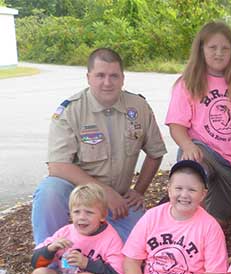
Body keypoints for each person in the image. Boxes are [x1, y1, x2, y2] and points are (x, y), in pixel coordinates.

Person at [31, 48, 167, 245]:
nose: (107, 82)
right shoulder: (71, 111)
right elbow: (57, 166)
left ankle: (97, 260)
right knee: (49, 190)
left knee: (135, 250)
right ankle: (47, 259)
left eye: (114, 76)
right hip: (78, 196)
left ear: (123, 78)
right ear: (88, 77)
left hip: (118, 200)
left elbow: (156, 152)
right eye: (100, 75)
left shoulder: (138, 107)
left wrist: (138, 191)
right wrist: (104, 192)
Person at [166, 21, 231, 226]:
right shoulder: (188, 82)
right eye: (212, 47)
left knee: (218, 222)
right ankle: (171, 221)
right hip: (203, 152)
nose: (218, 53)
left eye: (225, 48)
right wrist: (188, 145)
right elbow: (176, 125)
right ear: (201, 50)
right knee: (194, 173)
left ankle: (204, 231)